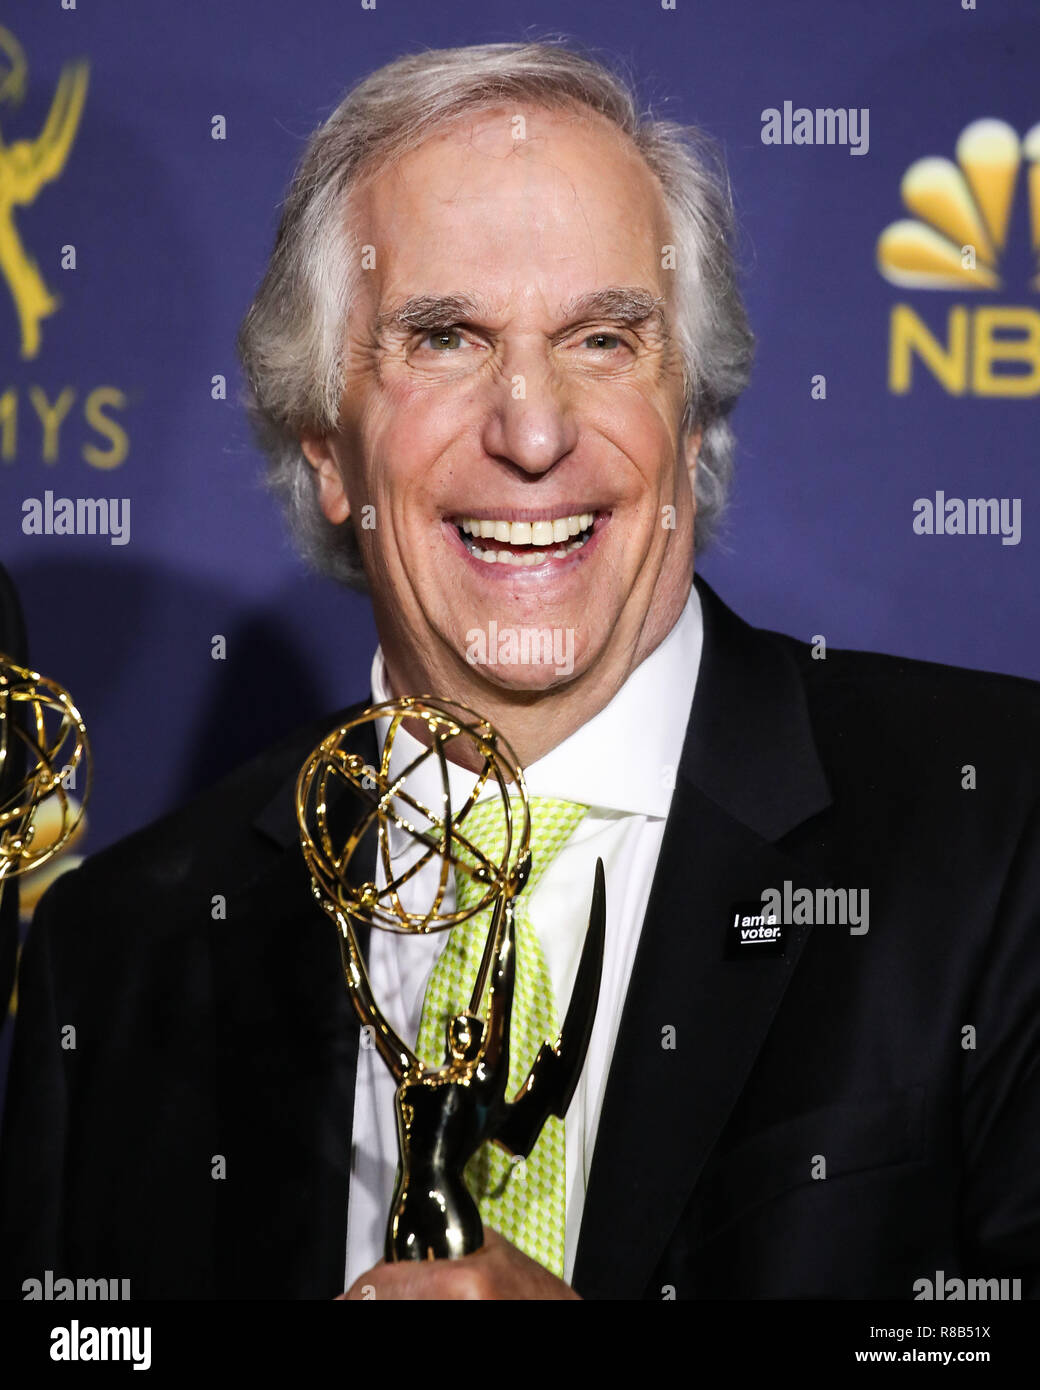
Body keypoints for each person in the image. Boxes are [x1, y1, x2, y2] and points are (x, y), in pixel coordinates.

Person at [1, 40, 1038, 1302]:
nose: (532, 432)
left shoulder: (997, 826)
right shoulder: (124, 953)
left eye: (604, 339)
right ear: (325, 444)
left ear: (696, 421)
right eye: (441, 339)